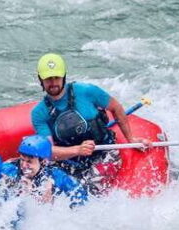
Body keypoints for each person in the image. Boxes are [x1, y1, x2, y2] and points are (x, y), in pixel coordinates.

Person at [31, 53, 150, 195]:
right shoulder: (39, 113)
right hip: (70, 161)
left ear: (64, 77)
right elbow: (49, 152)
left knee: (85, 192)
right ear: (40, 80)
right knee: (45, 187)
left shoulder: (87, 91)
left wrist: (131, 139)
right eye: (48, 79)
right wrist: (77, 150)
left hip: (104, 153)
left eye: (56, 77)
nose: (53, 83)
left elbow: (116, 107)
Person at [2, 134, 87, 208]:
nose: (24, 166)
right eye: (22, 160)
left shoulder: (56, 177)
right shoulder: (10, 170)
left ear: (43, 162)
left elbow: (81, 199)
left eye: (29, 162)